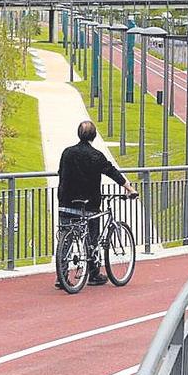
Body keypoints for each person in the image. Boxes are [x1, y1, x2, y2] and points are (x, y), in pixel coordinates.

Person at [56, 120, 134, 284]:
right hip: (89, 204)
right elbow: (112, 172)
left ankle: (61, 277)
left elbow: (60, 172)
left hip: (66, 203)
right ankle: (93, 273)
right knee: (92, 239)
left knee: (65, 240)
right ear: (94, 135)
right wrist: (129, 188)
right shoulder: (96, 155)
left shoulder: (67, 153)